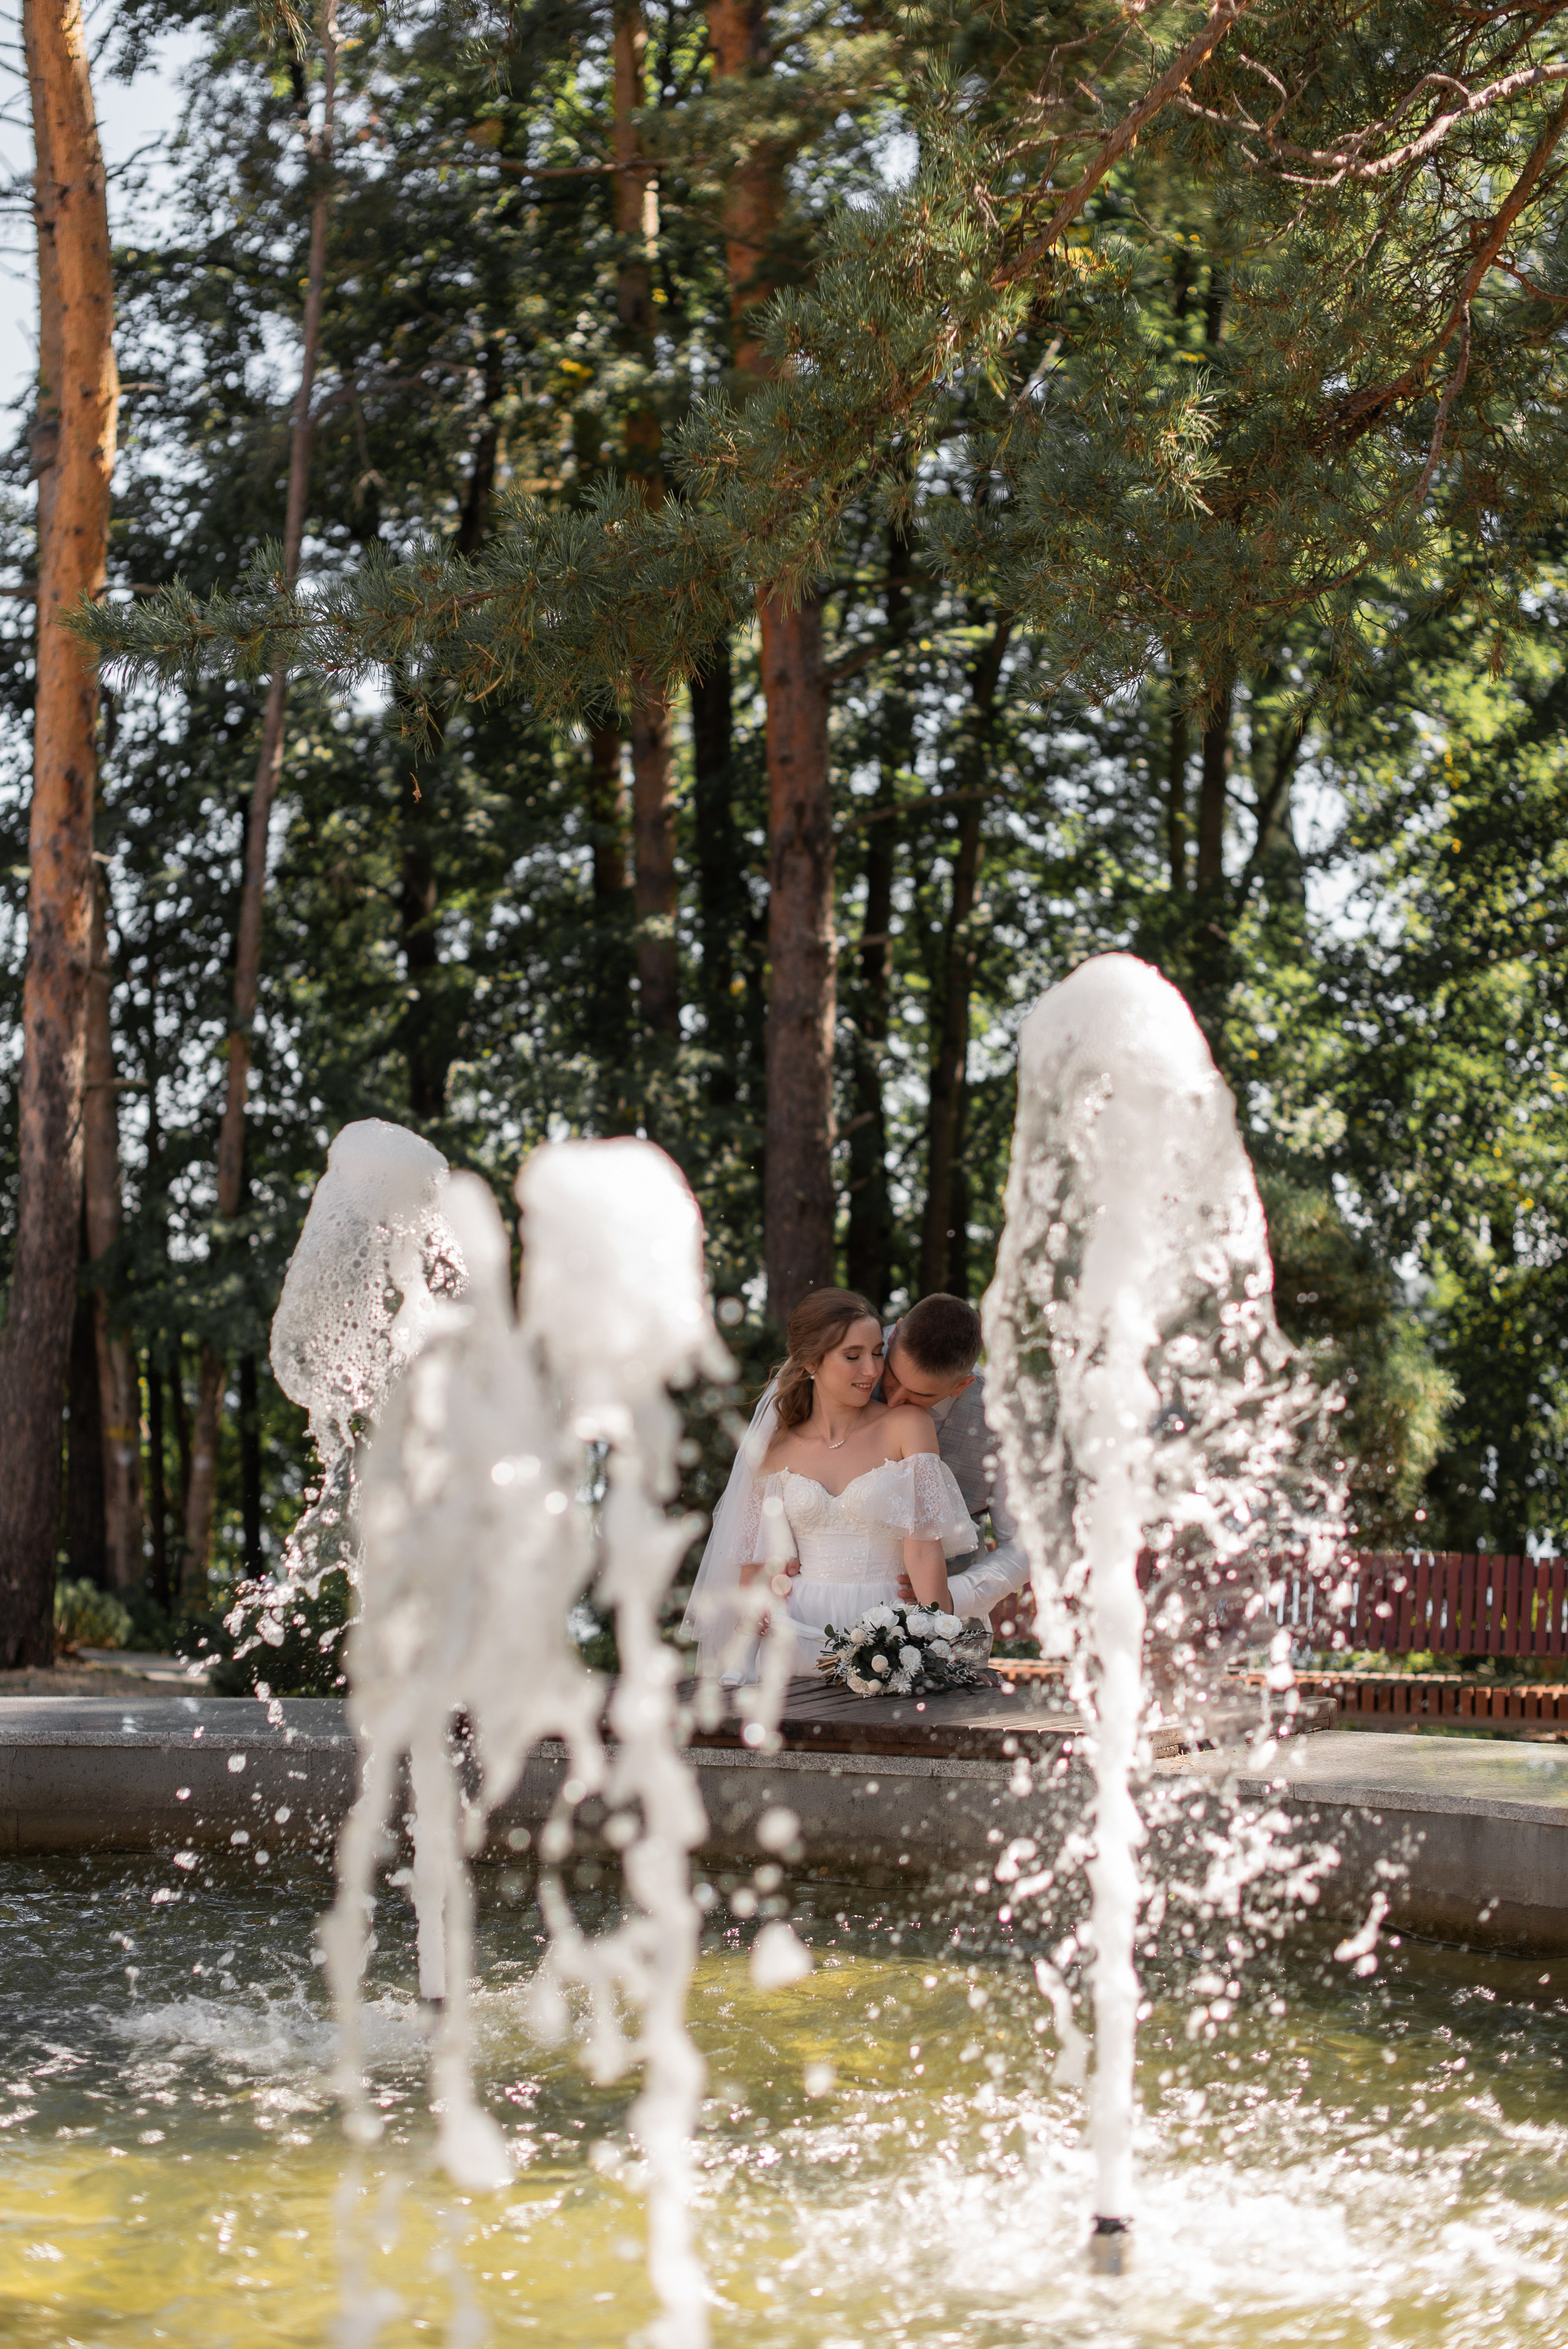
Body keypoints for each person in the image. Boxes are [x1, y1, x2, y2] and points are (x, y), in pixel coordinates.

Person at [682, 1288, 977, 1678]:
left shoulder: (908, 1427)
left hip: (887, 1636)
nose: (871, 1371)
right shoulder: (774, 1449)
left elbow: (924, 1553)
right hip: (793, 1634)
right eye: (852, 1357)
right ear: (810, 1363)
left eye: (876, 1353)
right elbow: (754, 1565)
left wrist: (941, 1647)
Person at [878, 1293, 1031, 1628]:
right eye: (892, 1377)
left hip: (952, 1629)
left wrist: (951, 1596)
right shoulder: (851, 1355)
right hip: (834, 1612)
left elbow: (1024, 1543)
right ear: (895, 1334)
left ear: (962, 1386)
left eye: (920, 1395)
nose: (892, 1400)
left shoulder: (1004, 1418)